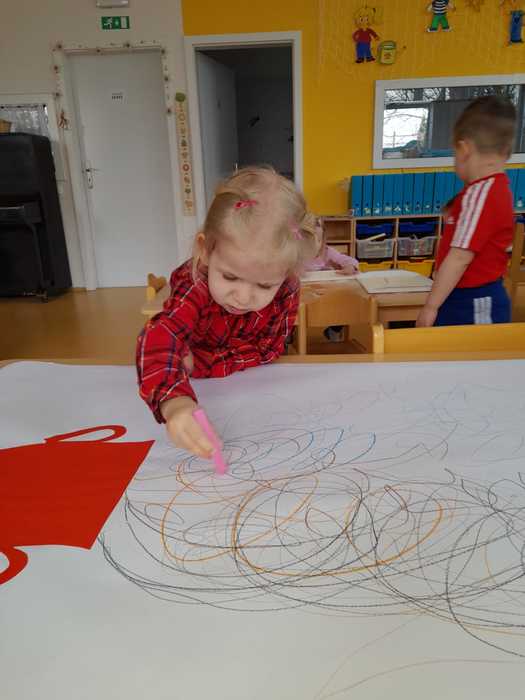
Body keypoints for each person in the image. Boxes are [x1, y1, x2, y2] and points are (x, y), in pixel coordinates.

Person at [137, 166, 318, 456]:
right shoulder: (195, 280)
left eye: (264, 285)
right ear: (205, 250)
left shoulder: (287, 288)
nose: (243, 298)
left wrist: (201, 364)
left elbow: (269, 349)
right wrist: (176, 403)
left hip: (253, 392)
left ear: (286, 274)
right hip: (198, 387)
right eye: (230, 277)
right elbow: (159, 336)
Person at [416, 96, 516, 327]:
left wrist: (430, 307)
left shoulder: (482, 193)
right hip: (463, 295)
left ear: (464, 150)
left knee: (474, 350)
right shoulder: (488, 190)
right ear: (505, 151)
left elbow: (460, 257)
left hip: (474, 300)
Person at [306, 219, 360, 341]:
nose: (315, 245)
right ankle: (288, 334)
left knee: (346, 302)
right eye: (309, 240)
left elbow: (349, 260)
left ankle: (334, 330)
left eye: (318, 240)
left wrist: (350, 266)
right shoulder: (296, 255)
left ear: (323, 240)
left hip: (326, 296)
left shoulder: (327, 252)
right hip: (303, 299)